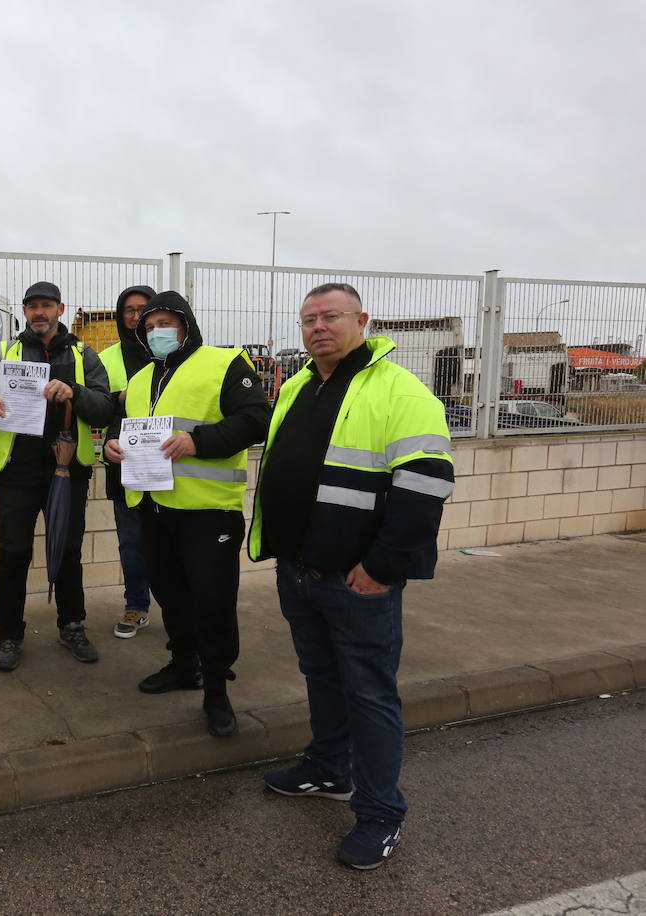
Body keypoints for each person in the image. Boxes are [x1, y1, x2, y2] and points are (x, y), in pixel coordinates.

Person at [249, 282, 454, 870]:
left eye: (331, 316)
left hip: (358, 578)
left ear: (362, 319)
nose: (318, 327)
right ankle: (327, 769)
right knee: (322, 676)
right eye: (309, 318)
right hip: (299, 568)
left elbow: (426, 485)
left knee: (369, 692)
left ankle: (380, 813)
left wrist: (384, 566)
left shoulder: (399, 389)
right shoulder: (296, 385)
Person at [103, 291, 269, 737]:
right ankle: (183, 665)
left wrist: (200, 442)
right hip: (153, 507)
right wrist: (110, 448)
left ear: (186, 324)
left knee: (212, 601)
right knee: (170, 594)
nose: (157, 331)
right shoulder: (140, 381)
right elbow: (122, 431)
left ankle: (216, 689)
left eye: (166, 323)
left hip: (208, 510)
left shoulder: (225, 363)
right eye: (149, 325)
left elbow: (257, 418)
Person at [0, 281, 117, 671]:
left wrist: (74, 393)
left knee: (67, 551)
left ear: (60, 309)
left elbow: (103, 409)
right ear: (26, 311)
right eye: (32, 306)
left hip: (68, 470)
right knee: (13, 553)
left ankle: (72, 625)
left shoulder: (85, 356)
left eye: (46, 305)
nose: (39, 313)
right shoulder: (4, 354)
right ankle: (9, 635)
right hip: (17, 471)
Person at [98, 285, 158, 640]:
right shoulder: (107, 359)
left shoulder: (173, 354)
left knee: (171, 540)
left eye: (143, 309)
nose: (136, 316)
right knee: (132, 541)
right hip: (123, 461)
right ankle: (137, 604)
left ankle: (180, 605)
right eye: (129, 310)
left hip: (169, 463)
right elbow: (97, 407)